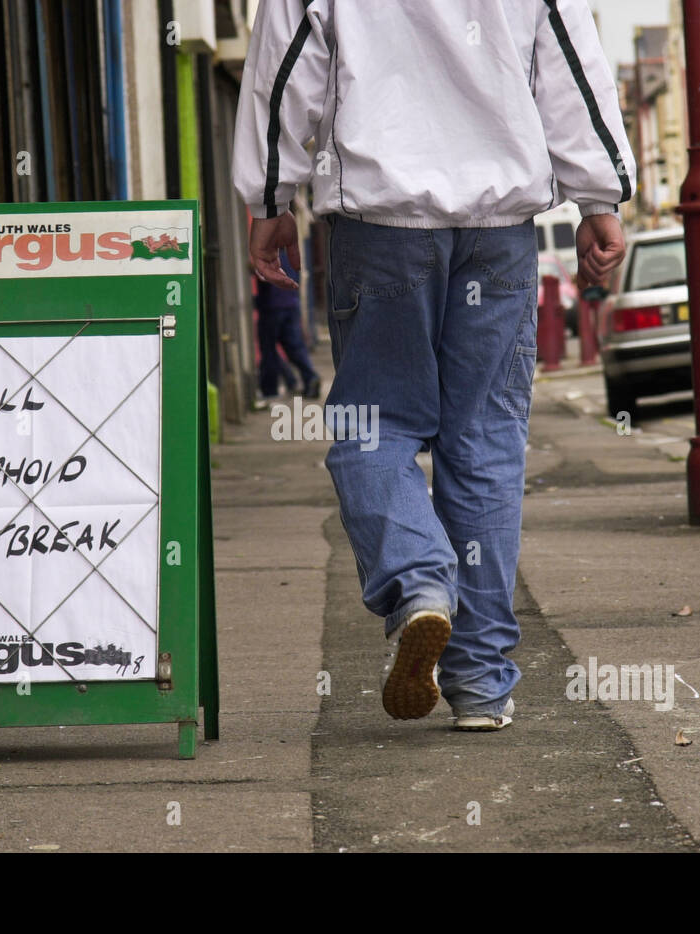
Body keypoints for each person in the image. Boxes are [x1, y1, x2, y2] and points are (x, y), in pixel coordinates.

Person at [233, 0, 633, 730]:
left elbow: (285, 65)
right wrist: (598, 194)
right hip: (499, 230)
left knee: (372, 428)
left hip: (380, 226)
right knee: (483, 445)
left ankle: (419, 581)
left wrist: (270, 198)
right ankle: (480, 685)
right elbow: (572, 66)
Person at [255, 249, 321, 400]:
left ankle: (270, 389)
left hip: (272, 306)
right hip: (290, 304)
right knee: (294, 347)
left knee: (268, 349)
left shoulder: (267, 256)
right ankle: (309, 377)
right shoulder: (290, 256)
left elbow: (261, 274)